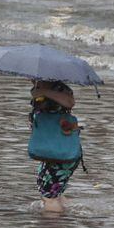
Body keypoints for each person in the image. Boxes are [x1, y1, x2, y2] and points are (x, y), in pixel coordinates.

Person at [30, 80, 80, 212]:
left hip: (60, 155)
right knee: (53, 191)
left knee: (49, 197)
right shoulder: (52, 93)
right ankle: (63, 214)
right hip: (63, 154)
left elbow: (69, 102)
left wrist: (40, 90)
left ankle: (53, 222)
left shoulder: (55, 92)